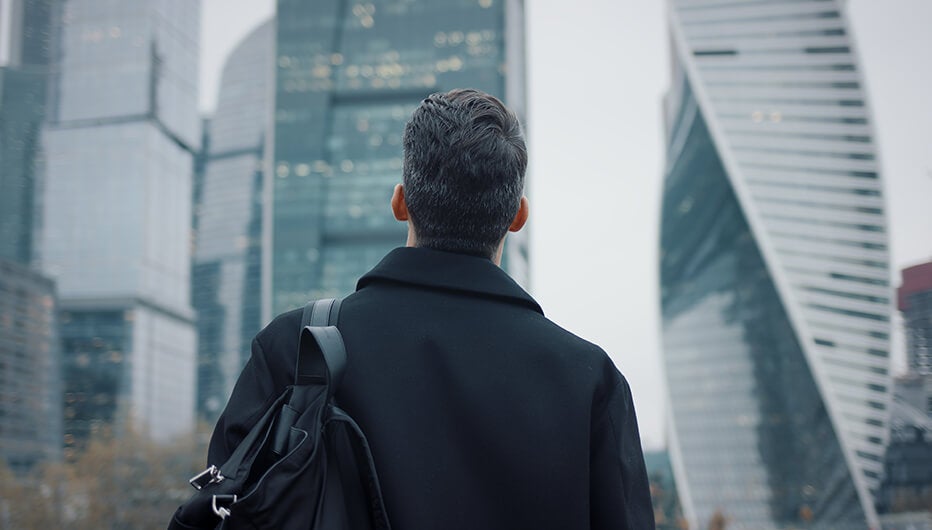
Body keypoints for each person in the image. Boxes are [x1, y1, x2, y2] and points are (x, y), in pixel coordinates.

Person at [208, 89, 654, 529]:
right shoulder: (590, 378)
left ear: (400, 202)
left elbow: (226, 508)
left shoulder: (295, 349)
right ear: (518, 216)